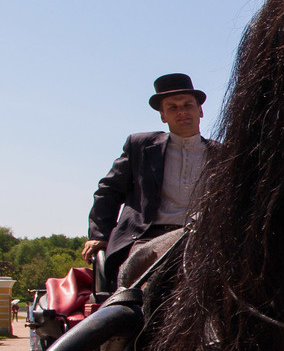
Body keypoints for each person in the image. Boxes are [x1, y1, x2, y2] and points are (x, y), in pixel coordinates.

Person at [85, 73, 217, 289]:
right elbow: (108, 190)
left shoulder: (224, 154)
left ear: (200, 110)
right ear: (163, 116)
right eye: (172, 107)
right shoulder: (141, 146)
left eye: (187, 105)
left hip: (204, 239)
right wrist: (99, 235)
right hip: (148, 238)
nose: (182, 112)